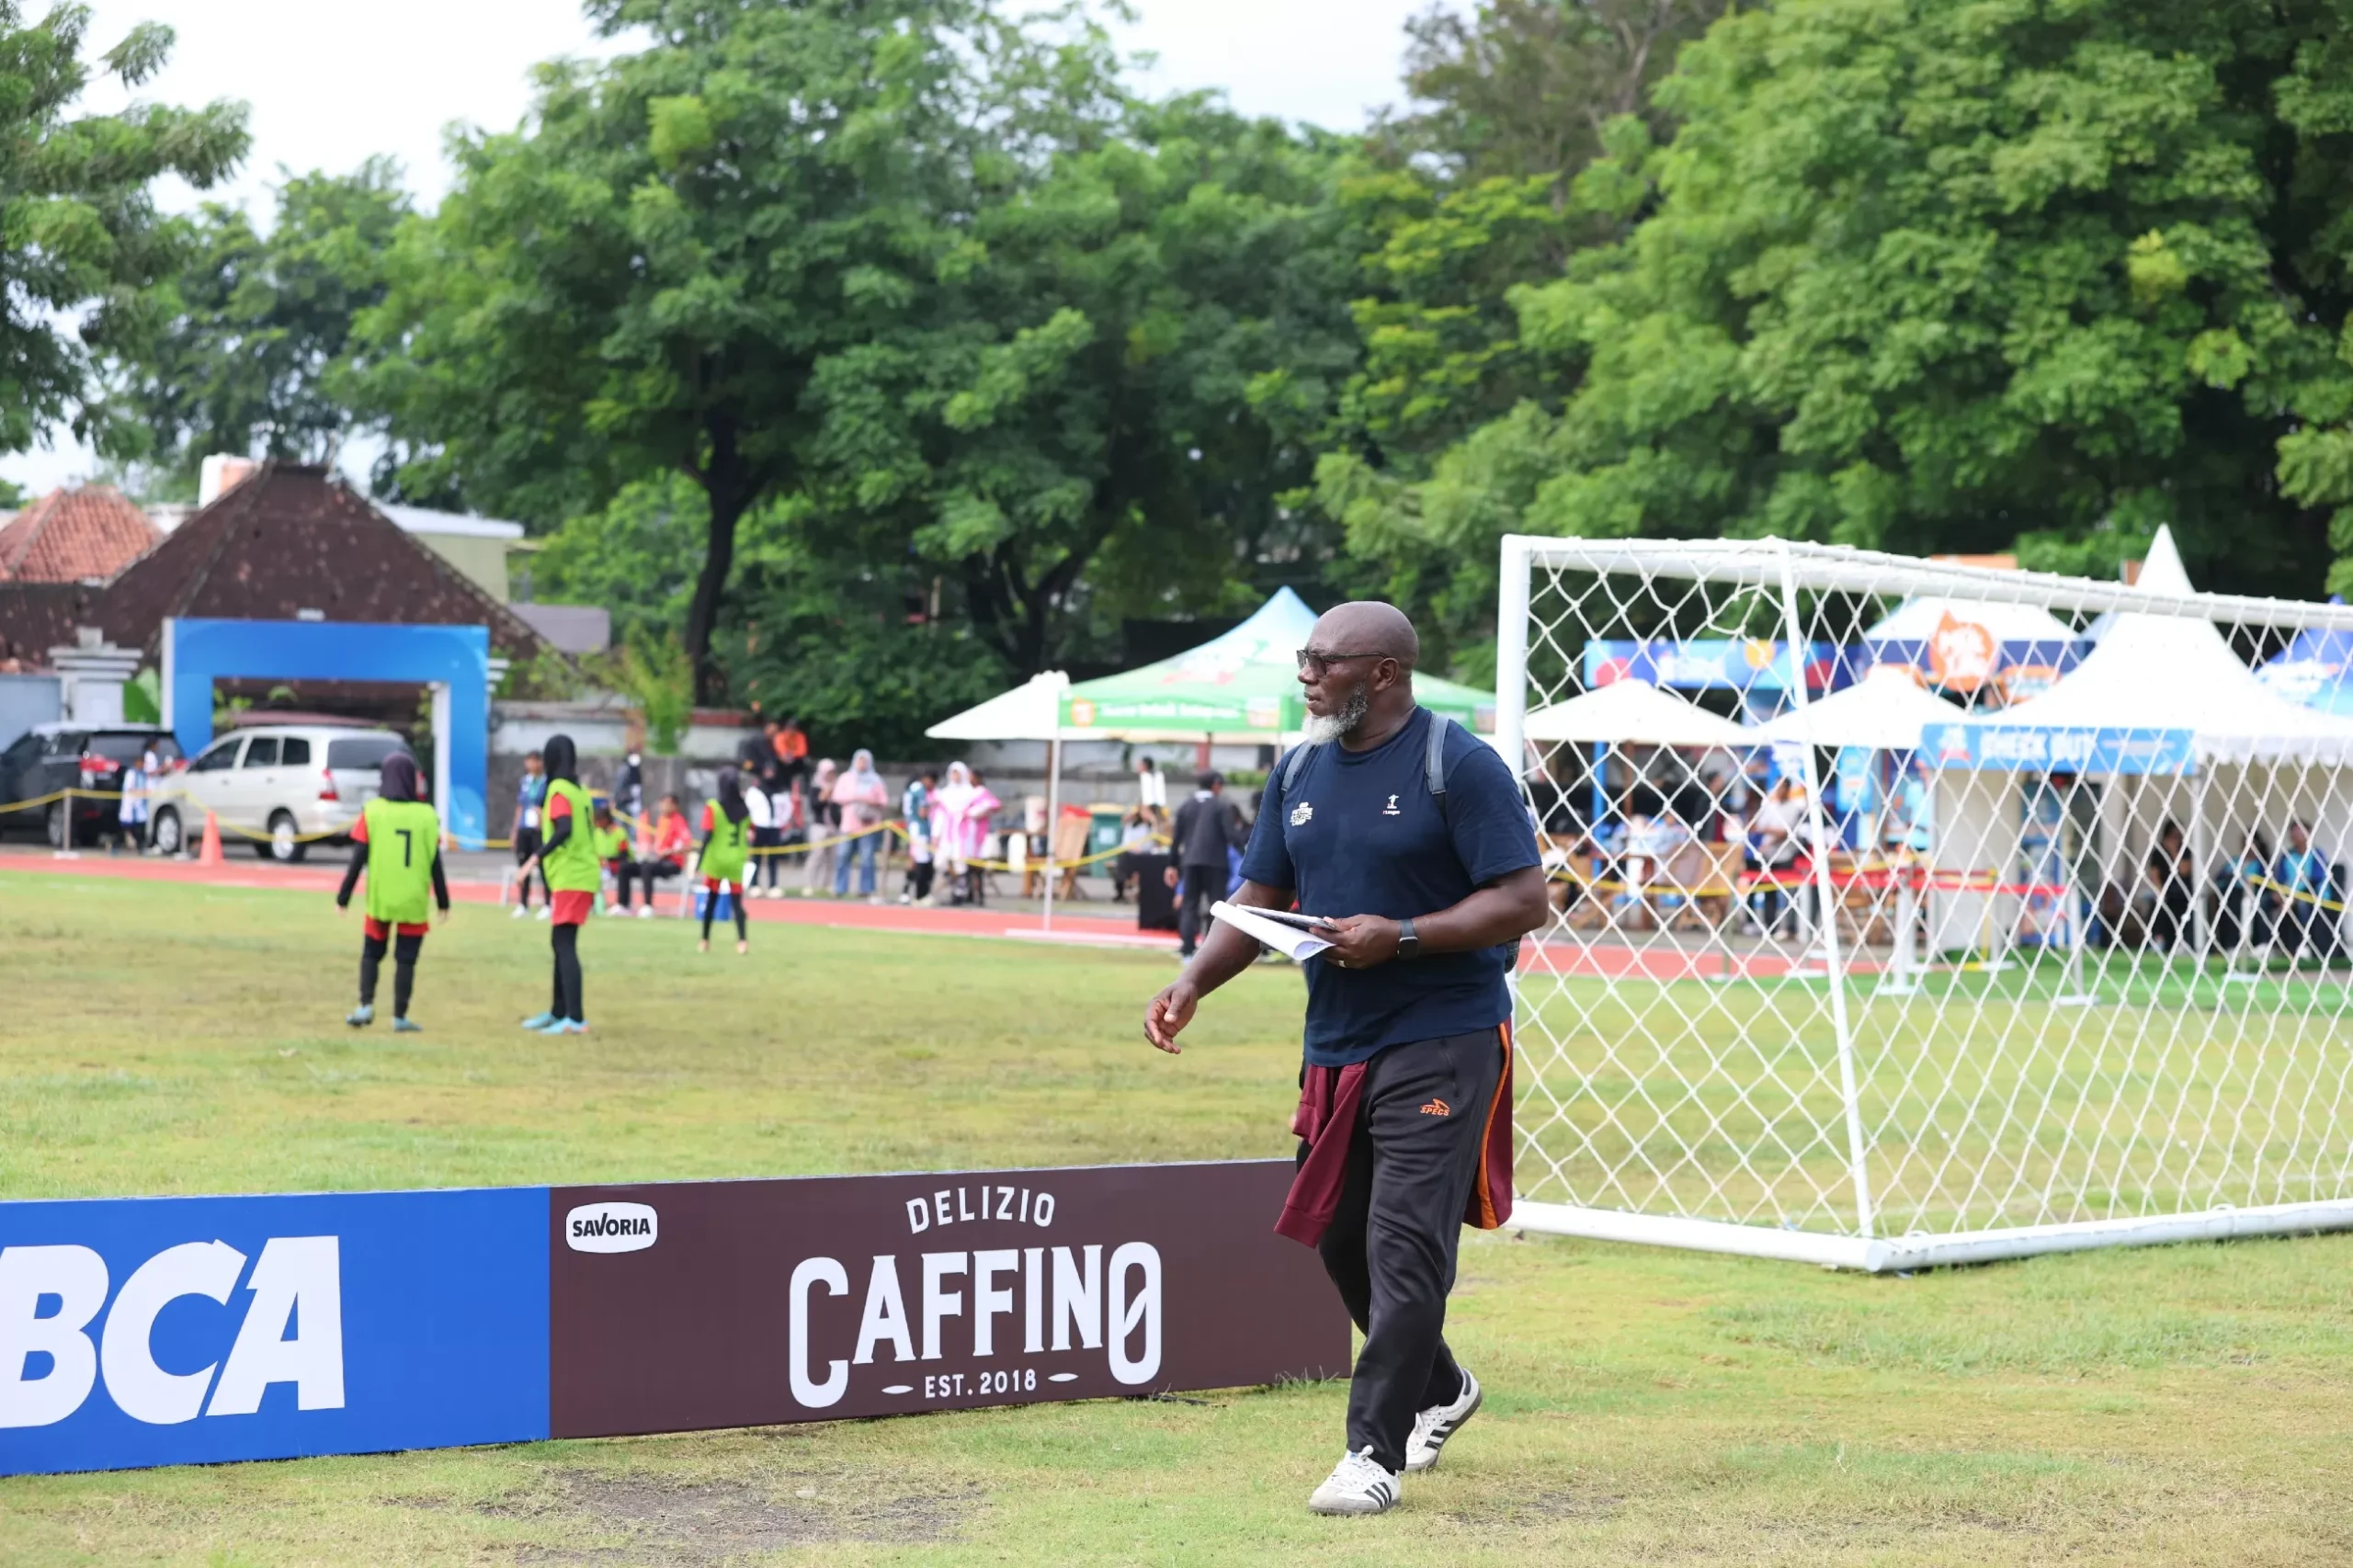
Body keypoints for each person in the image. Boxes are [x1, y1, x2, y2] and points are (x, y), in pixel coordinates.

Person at [1142, 600, 1546, 1517]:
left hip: (1443, 1035)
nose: (1305, 675)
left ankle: (1372, 1451)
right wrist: (1196, 977)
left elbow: (1524, 898)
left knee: (1404, 1246)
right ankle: (1441, 1386)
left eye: (1323, 661)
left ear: (1383, 674)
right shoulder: (1299, 767)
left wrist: (1401, 935)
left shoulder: (1461, 764)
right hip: (1335, 1041)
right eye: (1304, 658)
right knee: (1338, 1235)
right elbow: (1261, 894)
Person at [335, 749, 449, 1032]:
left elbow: (358, 858)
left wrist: (344, 896)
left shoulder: (373, 811)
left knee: (372, 953)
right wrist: (444, 901)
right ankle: (400, 1016)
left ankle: (365, 1006)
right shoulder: (426, 815)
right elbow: (435, 862)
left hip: (381, 898)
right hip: (413, 899)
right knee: (406, 959)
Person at [517, 734, 595, 1034]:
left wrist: (533, 859)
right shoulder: (579, 790)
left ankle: (574, 1018)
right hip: (578, 874)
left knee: (564, 945)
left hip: (571, 875)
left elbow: (564, 829)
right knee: (560, 942)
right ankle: (558, 1011)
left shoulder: (559, 790)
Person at [1166, 772, 1246, 959]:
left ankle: (1187, 948)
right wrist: (1247, 855)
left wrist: (1172, 865)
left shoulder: (1186, 805)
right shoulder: (1222, 805)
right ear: (1216, 785)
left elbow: (1176, 838)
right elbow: (1231, 835)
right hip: (1215, 862)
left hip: (1190, 862)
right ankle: (1209, 950)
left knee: (1189, 906)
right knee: (1216, 906)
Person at [698, 766, 753, 955]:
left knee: (711, 901)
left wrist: (698, 862)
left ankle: (705, 940)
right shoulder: (744, 809)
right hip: (736, 861)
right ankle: (742, 941)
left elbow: (707, 835)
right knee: (737, 904)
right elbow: (751, 830)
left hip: (716, 861)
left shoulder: (713, 807)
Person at [832, 749, 892, 900]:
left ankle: (866, 888)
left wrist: (869, 800)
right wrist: (855, 797)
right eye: (860, 760)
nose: (862, 764)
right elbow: (837, 796)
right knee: (843, 855)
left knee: (867, 858)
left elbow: (884, 800)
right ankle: (840, 888)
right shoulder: (846, 778)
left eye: (865, 761)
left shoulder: (875, 780)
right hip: (848, 824)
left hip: (869, 825)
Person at [620, 793, 692, 916]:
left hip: (672, 863)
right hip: (657, 860)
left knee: (647, 868)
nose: (663, 807)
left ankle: (647, 906)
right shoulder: (661, 820)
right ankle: (622, 905)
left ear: (675, 806)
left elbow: (687, 845)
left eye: (667, 804)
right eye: (662, 803)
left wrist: (669, 852)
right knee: (625, 867)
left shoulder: (678, 821)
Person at [2275, 819, 2334, 957]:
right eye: (2294, 833)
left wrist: (2295, 897)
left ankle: (2304, 945)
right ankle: (2266, 945)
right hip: (2289, 895)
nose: (2296, 836)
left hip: (2315, 895)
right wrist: (2279, 894)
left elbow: (2315, 881)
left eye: (2300, 832)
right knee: (2265, 902)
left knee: (2302, 904)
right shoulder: (2287, 856)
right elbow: (2281, 880)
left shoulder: (2316, 854)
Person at [929, 762, 977, 904]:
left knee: (960, 861)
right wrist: (936, 835)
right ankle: (944, 891)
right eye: (953, 773)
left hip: (962, 833)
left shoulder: (970, 792)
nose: (955, 776)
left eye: (957, 773)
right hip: (947, 833)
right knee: (942, 862)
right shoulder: (945, 793)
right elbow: (940, 815)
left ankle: (960, 892)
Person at [510, 750, 549, 919]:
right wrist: (515, 830)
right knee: (523, 865)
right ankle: (523, 904)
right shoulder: (524, 781)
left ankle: (548, 904)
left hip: (539, 829)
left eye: (535, 761)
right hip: (525, 827)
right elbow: (520, 806)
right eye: (529, 761)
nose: (531, 765)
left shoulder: (547, 782)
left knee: (543, 867)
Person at [961, 768, 1001, 906]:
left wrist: (977, 812)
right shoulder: (968, 792)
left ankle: (979, 894)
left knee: (976, 866)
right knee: (968, 865)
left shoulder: (982, 792)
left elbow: (994, 804)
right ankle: (969, 893)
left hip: (977, 833)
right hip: (967, 833)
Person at [801, 756, 839, 893]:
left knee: (832, 858)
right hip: (819, 825)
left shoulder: (838, 786)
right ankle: (809, 884)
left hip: (834, 826)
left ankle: (828, 885)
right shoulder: (815, 786)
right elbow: (815, 805)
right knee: (817, 855)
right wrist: (826, 793)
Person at [901, 769, 938, 903]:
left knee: (914, 859)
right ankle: (919, 894)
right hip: (919, 828)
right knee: (921, 860)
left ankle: (906, 892)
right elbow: (922, 812)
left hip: (911, 826)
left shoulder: (910, 789)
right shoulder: (919, 789)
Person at [591, 801, 632, 915]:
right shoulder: (596, 833)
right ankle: (592, 905)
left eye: (598, 820)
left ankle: (622, 905)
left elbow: (624, 854)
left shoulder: (619, 832)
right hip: (599, 866)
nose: (596, 823)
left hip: (615, 866)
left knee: (623, 870)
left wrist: (608, 861)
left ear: (605, 819)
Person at [1112, 811, 1154, 902]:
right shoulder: (1130, 827)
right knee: (1121, 867)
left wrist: (1151, 818)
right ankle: (1120, 892)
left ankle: (1141, 893)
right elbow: (1124, 821)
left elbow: (1149, 845)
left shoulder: (1147, 828)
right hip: (1128, 854)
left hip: (1142, 855)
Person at [1135, 756, 1168, 824]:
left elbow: (1148, 800)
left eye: (1140, 765)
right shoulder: (1153, 777)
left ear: (1145, 766)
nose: (1138, 767)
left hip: (1152, 808)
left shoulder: (1147, 778)